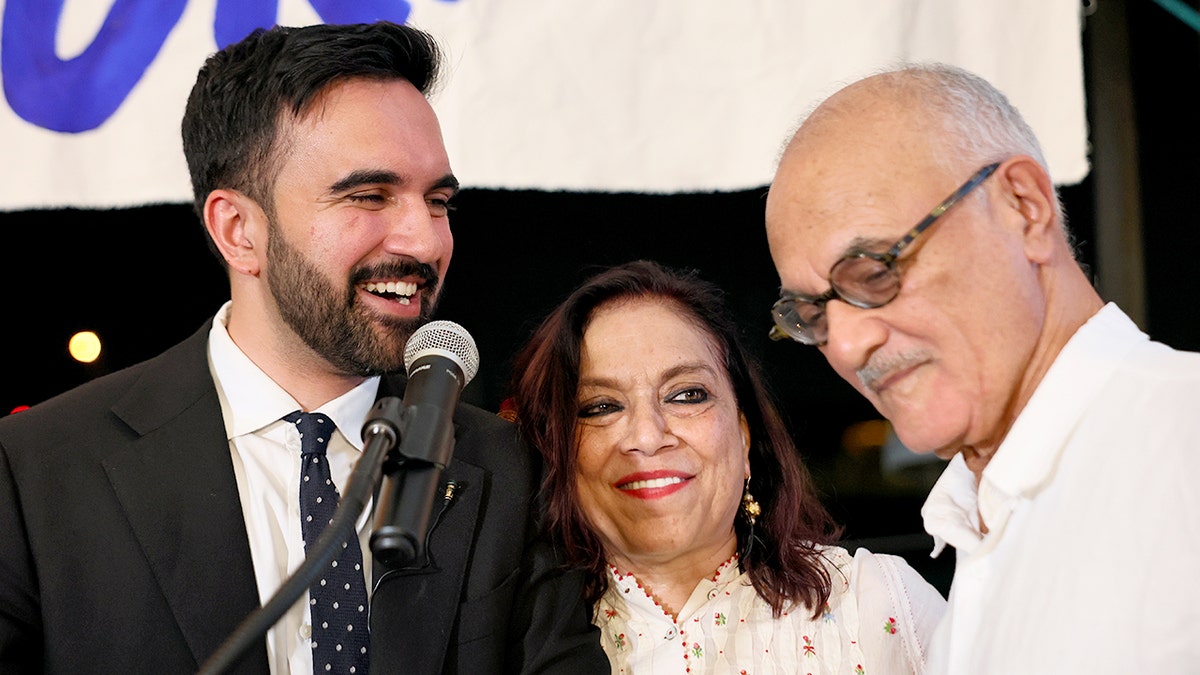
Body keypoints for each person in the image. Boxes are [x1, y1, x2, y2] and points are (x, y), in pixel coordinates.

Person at [0, 21, 608, 674]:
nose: (425, 240)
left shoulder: (511, 470)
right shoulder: (38, 473)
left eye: (437, 201)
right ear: (238, 230)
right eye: (368, 195)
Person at [764, 62, 1200, 673]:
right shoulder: (975, 529)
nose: (847, 345)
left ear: (1024, 208)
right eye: (812, 314)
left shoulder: (1183, 442)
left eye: (873, 272)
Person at [508, 259, 947, 673]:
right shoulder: (509, 641)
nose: (646, 436)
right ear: (559, 451)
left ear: (743, 431)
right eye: (601, 406)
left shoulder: (876, 604)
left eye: (686, 395)